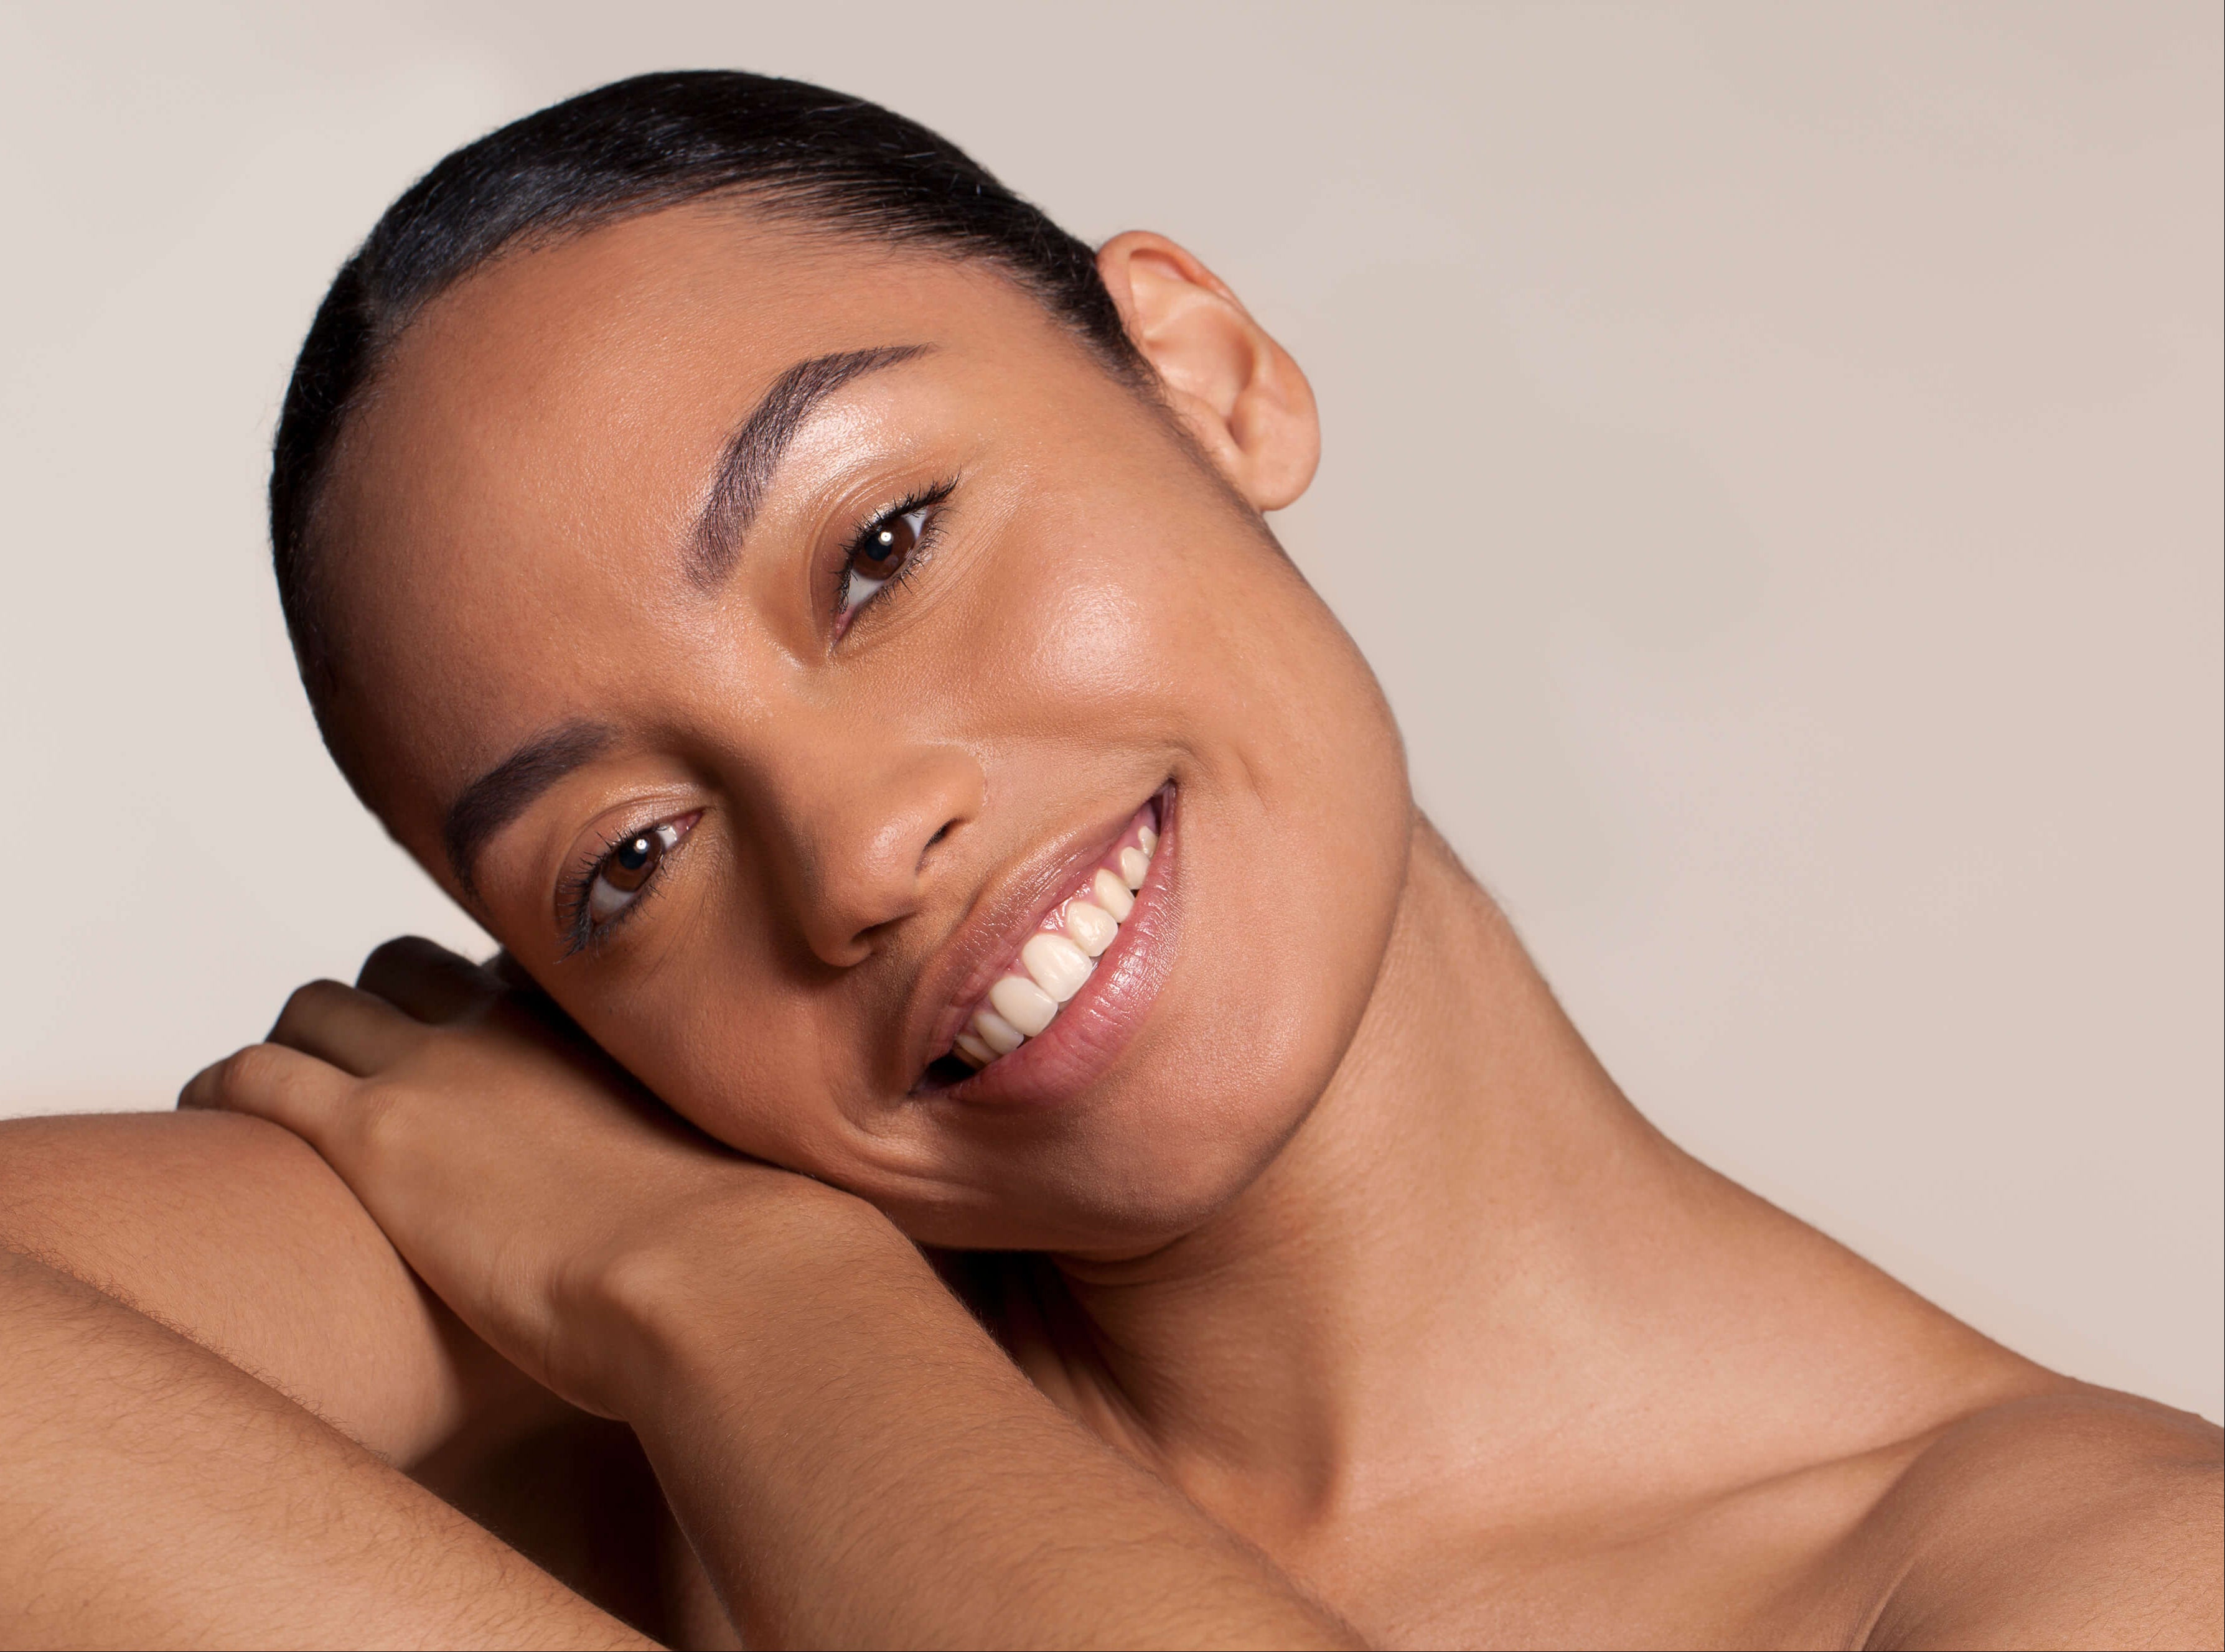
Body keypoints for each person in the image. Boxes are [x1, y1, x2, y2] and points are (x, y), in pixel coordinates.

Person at [1, 70, 2216, 1651]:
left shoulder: (2098, 1585)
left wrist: (750, 1312)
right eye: (631, 858)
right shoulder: (547, 1350)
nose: (860, 849)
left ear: (1207, 372)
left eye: (879, 548)